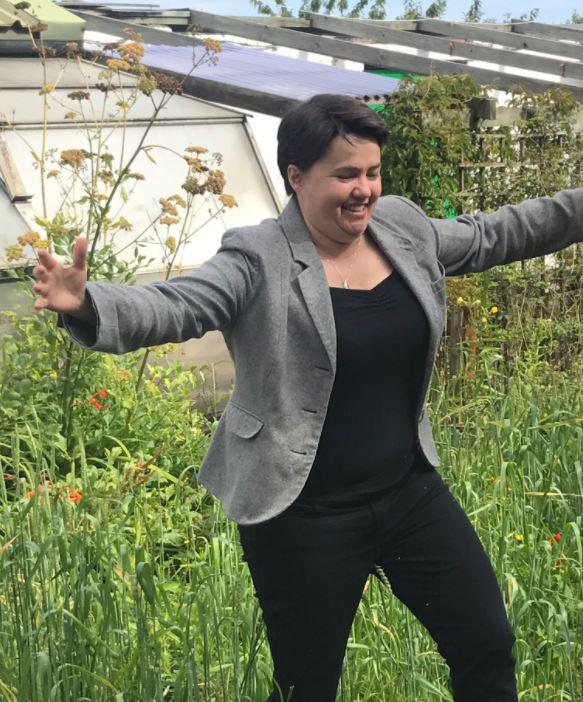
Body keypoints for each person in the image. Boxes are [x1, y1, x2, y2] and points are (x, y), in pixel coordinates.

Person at [32, 94, 582, 702]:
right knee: (307, 687)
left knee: (486, 645)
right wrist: (89, 304)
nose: (364, 190)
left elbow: (494, 233)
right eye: (345, 175)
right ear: (295, 177)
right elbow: (178, 305)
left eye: (372, 172)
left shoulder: (400, 227)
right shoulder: (258, 255)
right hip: (303, 513)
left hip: (407, 492)